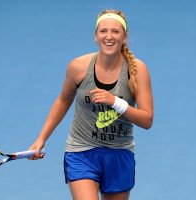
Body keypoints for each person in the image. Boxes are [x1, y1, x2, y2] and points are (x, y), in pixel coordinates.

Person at [29, 9, 153, 200]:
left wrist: (115, 102)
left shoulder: (138, 70)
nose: (109, 36)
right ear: (96, 36)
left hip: (119, 154)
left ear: (125, 37)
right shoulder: (78, 67)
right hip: (81, 151)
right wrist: (41, 138)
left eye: (115, 31)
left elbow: (146, 120)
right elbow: (63, 100)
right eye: (103, 31)